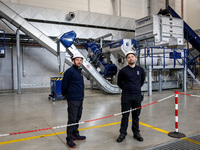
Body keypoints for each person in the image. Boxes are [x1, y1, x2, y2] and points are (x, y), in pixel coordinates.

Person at [117, 50, 145, 143]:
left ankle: (136, 133)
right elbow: (119, 83)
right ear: (126, 59)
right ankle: (122, 133)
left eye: (132, 56)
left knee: (136, 116)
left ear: (135, 58)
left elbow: (142, 81)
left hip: (137, 96)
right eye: (128, 57)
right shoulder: (123, 71)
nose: (131, 58)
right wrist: (127, 89)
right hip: (126, 96)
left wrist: (136, 88)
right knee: (125, 116)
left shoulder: (140, 70)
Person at [61, 53, 86, 148]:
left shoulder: (80, 71)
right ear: (73, 61)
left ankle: (75, 134)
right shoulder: (70, 71)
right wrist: (66, 95)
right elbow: (64, 85)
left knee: (77, 117)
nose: (79, 61)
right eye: (77, 60)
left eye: (80, 60)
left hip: (80, 98)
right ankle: (69, 139)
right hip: (73, 99)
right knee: (72, 119)